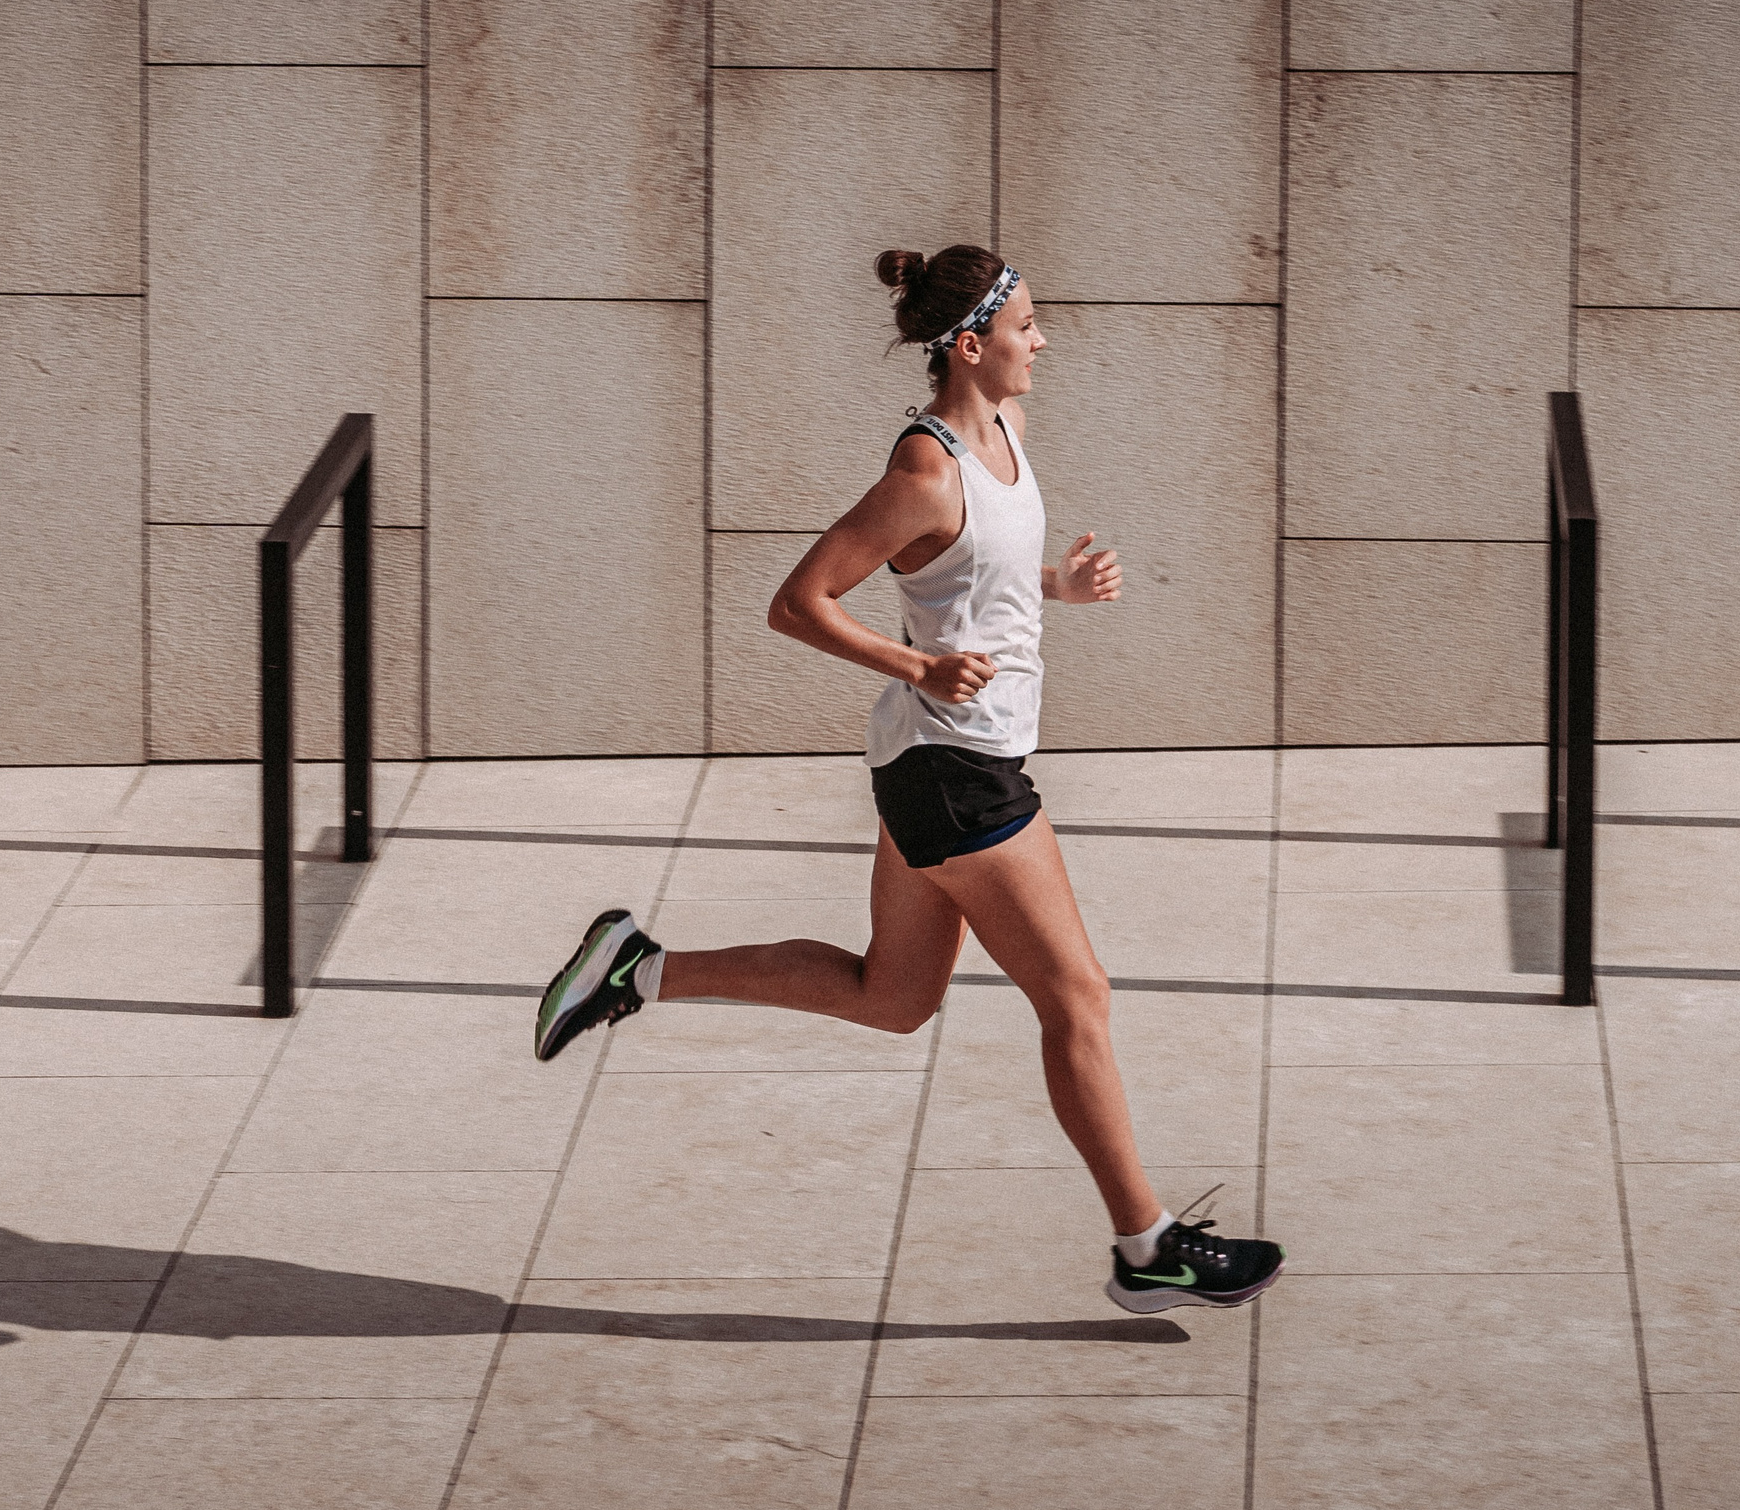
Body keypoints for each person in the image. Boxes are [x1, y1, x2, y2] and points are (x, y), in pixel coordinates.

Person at [533, 245, 1281, 1315]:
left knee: (892, 998)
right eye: (1025, 327)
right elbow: (799, 602)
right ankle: (1145, 1245)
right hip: (953, 768)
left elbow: (977, 562)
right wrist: (914, 663)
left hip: (944, 760)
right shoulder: (920, 471)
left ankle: (637, 968)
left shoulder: (1005, 437)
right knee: (1076, 997)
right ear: (970, 347)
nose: (1042, 339)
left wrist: (1053, 585)